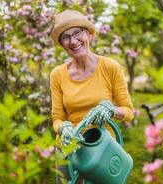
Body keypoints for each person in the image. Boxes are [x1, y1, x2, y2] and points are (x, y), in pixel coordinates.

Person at [49, 10, 134, 183]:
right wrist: (63, 128)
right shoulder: (57, 74)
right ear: (62, 44)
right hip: (69, 151)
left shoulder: (110, 67)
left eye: (77, 33)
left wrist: (111, 110)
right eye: (66, 37)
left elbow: (129, 112)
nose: (73, 41)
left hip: (102, 150)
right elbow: (57, 118)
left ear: (89, 34)